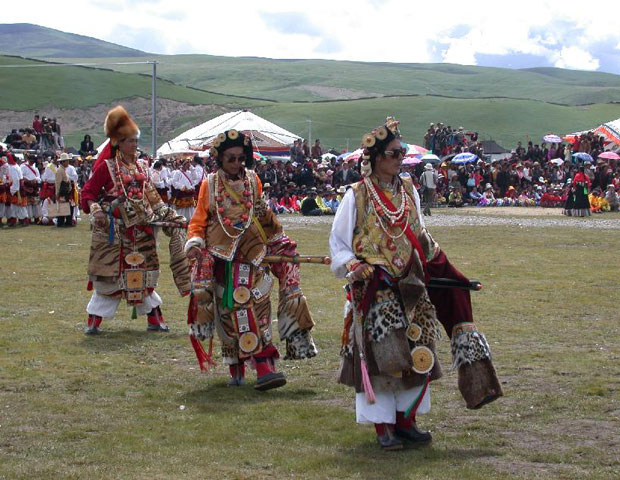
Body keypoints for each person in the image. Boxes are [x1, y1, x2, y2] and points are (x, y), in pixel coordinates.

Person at [329, 119, 502, 450]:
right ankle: (383, 426)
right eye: (394, 153)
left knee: (418, 350)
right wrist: (354, 265)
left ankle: (407, 420)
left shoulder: (408, 190)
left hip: (412, 284)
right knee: (385, 356)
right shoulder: (357, 195)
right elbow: (338, 244)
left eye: (402, 153)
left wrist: (451, 276)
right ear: (376, 157)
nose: (400, 159)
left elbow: (420, 235)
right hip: (376, 288)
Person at [184, 129, 317, 390]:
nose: (236, 164)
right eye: (231, 158)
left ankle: (265, 366)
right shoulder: (208, 185)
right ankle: (237, 365)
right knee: (230, 310)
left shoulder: (253, 180)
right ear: (220, 158)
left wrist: (276, 233)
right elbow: (199, 220)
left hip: (254, 253)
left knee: (258, 306)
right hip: (222, 256)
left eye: (240, 158)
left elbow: (263, 217)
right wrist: (195, 242)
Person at [80, 105, 191, 335]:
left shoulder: (141, 167)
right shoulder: (107, 167)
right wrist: (97, 210)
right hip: (116, 233)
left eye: (135, 141)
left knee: (144, 275)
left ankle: (154, 318)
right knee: (111, 277)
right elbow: (87, 193)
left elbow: (153, 198)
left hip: (142, 232)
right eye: (130, 141)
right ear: (118, 143)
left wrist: (171, 217)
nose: (134, 145)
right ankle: (94, 320)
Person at [21, 154, 42, 225]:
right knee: (28, 203)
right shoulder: (23, 166)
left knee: (36, 203)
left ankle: (36, 217)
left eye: (33, 161)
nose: (32, 162)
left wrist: (35, 180)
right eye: (31, 161)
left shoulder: (35, 168)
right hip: (27, 186)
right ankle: (28, 218)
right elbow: (21, 177)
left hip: (34, 186)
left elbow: (39, 177)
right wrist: (26, 180)